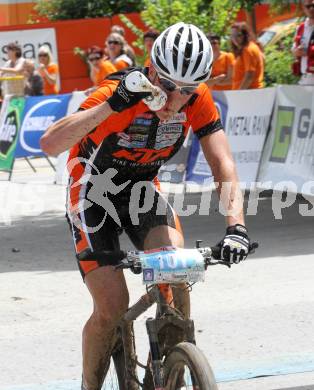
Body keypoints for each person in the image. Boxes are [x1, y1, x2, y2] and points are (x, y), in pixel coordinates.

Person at [40, 22, 254, 390]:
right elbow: (50, 143)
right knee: (111, 305)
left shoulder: (198, 101)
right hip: (93, 193)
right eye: (167, 85)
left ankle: (172, 369)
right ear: (152, 70)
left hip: (141, 190)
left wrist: (236, 226)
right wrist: (111, 105)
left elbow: (222, 163)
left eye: (186, 90)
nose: (174, 99)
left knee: (178, 274)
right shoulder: (119, 93)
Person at [230, 22, 264, 90]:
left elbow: (249, 76)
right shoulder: (250, 47)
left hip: (248, 93)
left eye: (238, 35)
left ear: (245, 35)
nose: (235, 38)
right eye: (232, 35)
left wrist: (239, 93)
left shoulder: (248, 50)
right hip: (249, 92)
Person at [292, 0, 314, 85]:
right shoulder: (301, 28)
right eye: (308, 6)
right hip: (305, 79)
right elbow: (293, 50)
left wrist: (308, 51)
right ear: (303, 8)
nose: (311, 9)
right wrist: (296, 51)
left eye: (313, 6)